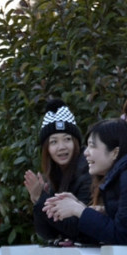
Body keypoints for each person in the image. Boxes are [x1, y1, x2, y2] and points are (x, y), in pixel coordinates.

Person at [43, 119, 127, 245]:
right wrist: (87, 209)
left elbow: (121, 236)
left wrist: (80, 211)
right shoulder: (126, 173)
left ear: (115, 152)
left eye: (92, 146)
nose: (86, 153)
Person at [23, 100, 95, 244]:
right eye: (54, 142)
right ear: (47, 149)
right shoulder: (54, 176)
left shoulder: (88, 171)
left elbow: (79, 227)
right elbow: (47, 233)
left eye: (67, 139)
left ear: (76, 142)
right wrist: (38, 200)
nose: (61, 147)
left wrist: (41, 199)